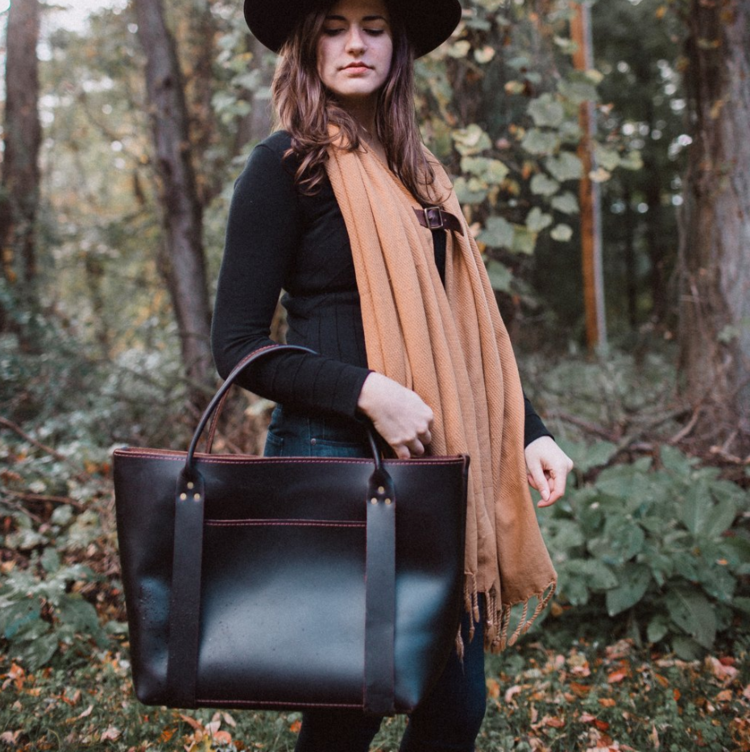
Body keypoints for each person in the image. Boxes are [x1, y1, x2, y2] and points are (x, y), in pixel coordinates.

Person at [211, 0, 574, 749]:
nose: (355, 44)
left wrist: (529, 432)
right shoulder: (284, 166)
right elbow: (238, 345)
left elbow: (464, 335)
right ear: (308, 47)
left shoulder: (422, 179)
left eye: (373, 28)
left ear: (396, 47)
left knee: (454, 705)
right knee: (351, 703)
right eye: (334, 28)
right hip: (332, 456)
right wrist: (367, 392)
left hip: (431, 459)